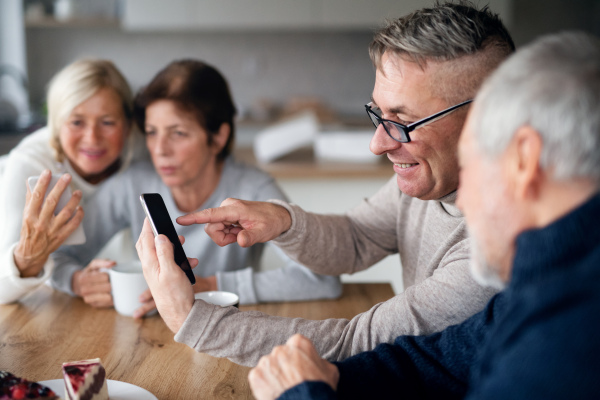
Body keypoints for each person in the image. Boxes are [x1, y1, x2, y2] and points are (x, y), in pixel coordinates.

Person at [135, 1, 516, 366]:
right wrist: (282, 221)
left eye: (402, 121)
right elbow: (356, 237)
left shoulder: (492, 251)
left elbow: (359, 347)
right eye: (378, 114)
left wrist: (192, 317)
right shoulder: (436, 182)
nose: (378, 143)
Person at [247, 31, 600, 400]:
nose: (463, 200)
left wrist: (303, 394)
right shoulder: (535, 291)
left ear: (525, 160)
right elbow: (434, 361)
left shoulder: (563, 348)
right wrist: (320, 382)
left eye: (474, 162)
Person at [49, 59, 341, 316]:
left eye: (178, 133)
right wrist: (76, 280)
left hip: (229, 331)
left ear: (217, 137)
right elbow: (57, 255)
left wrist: (208, 286)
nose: (160, 149)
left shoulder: (253, 189)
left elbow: (323, 279)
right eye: (152, 133)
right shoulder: (131, 184)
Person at [0, 59, 142, 304]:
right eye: (77, 122)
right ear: (56, 125)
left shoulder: (143, 152)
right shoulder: (29, 166)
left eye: (107, 122)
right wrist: (28, 259)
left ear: (128, 126)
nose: (92, 137)